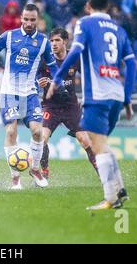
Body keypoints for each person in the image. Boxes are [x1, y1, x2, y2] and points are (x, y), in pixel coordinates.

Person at [47, 0, 137, 210]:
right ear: (108, 6)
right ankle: (120, 190)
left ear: (88, 5)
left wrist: (57, 78)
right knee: (101, 144)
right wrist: (127, 97)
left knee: (98, 145)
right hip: (116, 94)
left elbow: (75, 51)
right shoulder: (119, 29)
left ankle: (110, 198)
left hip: (97, 95)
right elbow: (133, 64)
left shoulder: (85, 24)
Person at [0, 3, 67, 190]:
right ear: (21, 18)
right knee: (10, 132)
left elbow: (53, 66)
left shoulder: (44, 42)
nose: (29, 23)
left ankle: (35, 168)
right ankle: (15, 178)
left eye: (33, 20)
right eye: (26, 19)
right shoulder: (8, 37)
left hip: (30, 92)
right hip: (9, 92)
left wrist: (60, 84)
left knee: (38, 132)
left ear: (38, 20)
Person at [37, 28, 98, 179]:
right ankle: (44, 170)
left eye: (57, 40)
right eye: (51, 41)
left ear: (65, 41)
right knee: (41, 138)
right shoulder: (44, 58)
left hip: (71, 106)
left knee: (85, 140)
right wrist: (39, 82)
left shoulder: (75, 57)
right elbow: (34, 76)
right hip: (50, 106)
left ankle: (102, 174)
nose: (53, 44)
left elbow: (89, 75)